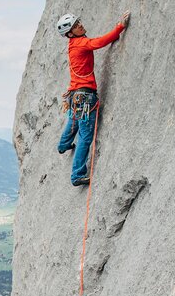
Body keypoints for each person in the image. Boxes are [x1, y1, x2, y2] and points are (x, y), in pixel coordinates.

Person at [56, 11, 130, 186]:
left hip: (76, 94)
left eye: (78, 22)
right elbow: (100, 42)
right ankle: (77, 175)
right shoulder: (81, 43)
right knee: (85, 136)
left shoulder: (73, 44)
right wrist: (120, 26)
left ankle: (63, 145)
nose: (80, 25)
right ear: (70, 33)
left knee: (73, 119)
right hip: (85, 96)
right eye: (75, 26)